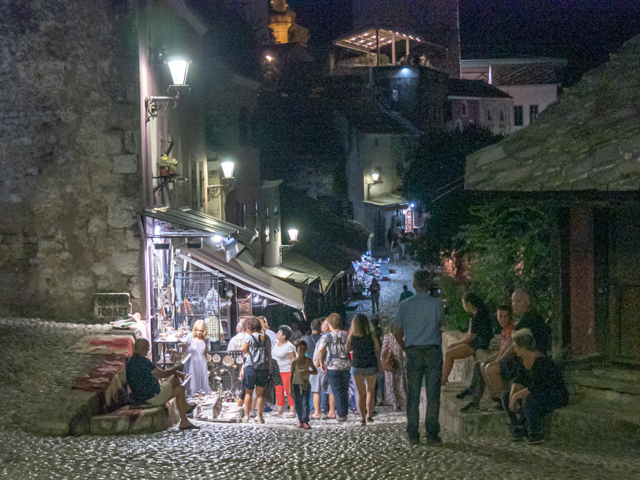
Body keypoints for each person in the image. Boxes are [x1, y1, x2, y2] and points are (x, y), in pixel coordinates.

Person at [395, 269, 444, 445]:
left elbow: (398, 331)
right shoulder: (437, 304)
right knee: (433, 394)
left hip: (413, 351)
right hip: (432, 351)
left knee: (413, 395)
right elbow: (440, 324)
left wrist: (405, 347)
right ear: (428, 284)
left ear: (414, 284)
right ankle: (431, 433)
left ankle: (413, 433)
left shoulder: (404, 305)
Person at [503, 329, 568, 443]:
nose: (515, 349)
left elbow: (537, 387)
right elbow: (518, 380)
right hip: (537, 392)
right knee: (505, 396)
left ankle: (535, 432)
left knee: (529, 400)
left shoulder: (542, 362)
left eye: (516, 346)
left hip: (553, 394)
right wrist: (511, 396)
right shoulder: (523, 361)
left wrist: (516, 397)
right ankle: (519, 427)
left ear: (523, 347)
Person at [487, 289, 552, 404]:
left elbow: (513, 347)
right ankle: (500, 401)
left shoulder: (529, 320)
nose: (514, 305)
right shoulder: (525, 319)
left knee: (491, 369)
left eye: (518, 301)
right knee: (485, 365)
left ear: (527, 302)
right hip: (524, 358)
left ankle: (505, 404)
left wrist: (501, 360)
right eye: (513, 301)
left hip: (529, 360)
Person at [125, 338, 197, 430]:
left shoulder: (130, 362)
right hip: (153, 397)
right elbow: (162, 374)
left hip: (141, 397)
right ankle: (186, 408)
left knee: (180, 389)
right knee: (175, 378)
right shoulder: (143, 361)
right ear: (144, 349)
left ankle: (184, 421)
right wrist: (176, 368)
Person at [458, 305, 515, 411]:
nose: (503, 320)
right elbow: (501, 350)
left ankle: (499, 400)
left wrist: (496, 360)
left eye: (506, 317)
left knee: (488, 367)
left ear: (510, 317)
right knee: (480, 364)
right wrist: (490, 359)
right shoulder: (504, 331)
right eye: (500, 316)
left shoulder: (512, 330)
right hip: (504, 359)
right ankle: (475, 397)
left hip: (511, 362)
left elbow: (507, 351)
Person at [441, 292, 494, 386]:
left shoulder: (477, 317)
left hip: (477, 344)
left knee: (449, 354)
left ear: (469, 303)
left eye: (463, 303)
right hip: (479, 342)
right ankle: (444, 378)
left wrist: (456, 344)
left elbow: (471, 337)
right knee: (449, 350)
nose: (463, 306)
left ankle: (443, 380)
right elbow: (470, 333)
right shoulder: (479, 314)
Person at [347, 314, 381, 425]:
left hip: (357, 365)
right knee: (370, 391)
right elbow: (377, 348)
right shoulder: (371, 335)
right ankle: (370, 415)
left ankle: (362, 418)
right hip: (370, 364)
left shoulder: (352, 336)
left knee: (359, 392)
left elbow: (347, 349)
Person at [317, 313, 351, 422]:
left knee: (336, 390)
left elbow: (321, 350)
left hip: (332, 365)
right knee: (345, 389)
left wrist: (321, 362)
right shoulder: (347, 334)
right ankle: (344, 412)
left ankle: (341, 414)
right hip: (345, 365)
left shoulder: (327, 336)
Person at [241, 317, 272, 423]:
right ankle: (260, 417)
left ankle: (246, 416)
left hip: (250, 367)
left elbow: (244, 350)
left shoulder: (249, 338)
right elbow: (269, 353)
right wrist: (270, 369)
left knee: (248, 393)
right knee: (260, 394)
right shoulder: (267, 338)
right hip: (263, 368)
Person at [290, 340, 317, 429]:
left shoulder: (308, 360)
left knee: (305, 402)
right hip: (296, 384)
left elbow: (315, 371)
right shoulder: (294, 362)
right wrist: (290, 388)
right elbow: (291, 375)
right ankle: (300, 420)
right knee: (298, 402)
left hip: (306, 383)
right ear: (296, 350)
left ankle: (305, 420)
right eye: (300, 349)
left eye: (304, 349)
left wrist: (306, 371)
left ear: (306, 350)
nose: (302, 351)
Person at [312, 318, 336, 420]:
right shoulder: (334, 337)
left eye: (323, 325)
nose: (321, 326)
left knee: (316, 389)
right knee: (330, 390)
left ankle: (317, 413)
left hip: (321, 366)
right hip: (330, 366)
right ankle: (331, 412)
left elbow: (320, 351)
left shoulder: (324, 338)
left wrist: (318, 363)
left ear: (328, 327)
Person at [271, 325, 296, 417]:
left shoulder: (289, 346)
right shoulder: (275, 343)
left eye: (279, 333)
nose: (277, 334)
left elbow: (293, 360)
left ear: (284, 336)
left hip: (286, 370)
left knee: (288, 390)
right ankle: (279, 409)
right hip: (276, 371)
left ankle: (292, 410)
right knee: (278, 390)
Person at [380, 323, 406, 411]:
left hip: (389, 362)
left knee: (390, 383)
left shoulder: (386, 336)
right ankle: (401, 401)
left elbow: (383, 350)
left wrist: (383, 361)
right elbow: (403, 351)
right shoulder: (402, 337)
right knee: (399, 382)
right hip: (398, 361)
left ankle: (394, 403)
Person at [182, 320, 209, 396]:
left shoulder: (206, 339)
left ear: (204, 330)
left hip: (202, 364)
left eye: (200, 331)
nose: (198, 332)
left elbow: (205, 353)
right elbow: (183, 348)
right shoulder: (190, 337)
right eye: (196, 330)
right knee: (192, 386)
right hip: (191, 364)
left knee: (203, 385)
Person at [303, 318, 323, 416]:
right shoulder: (323, 338)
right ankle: (323, 406)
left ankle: (312, 408)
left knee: (312, 389)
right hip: (322, 364)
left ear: (311, 327)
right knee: (323, 387)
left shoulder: (306, 339)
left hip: (309, 364)